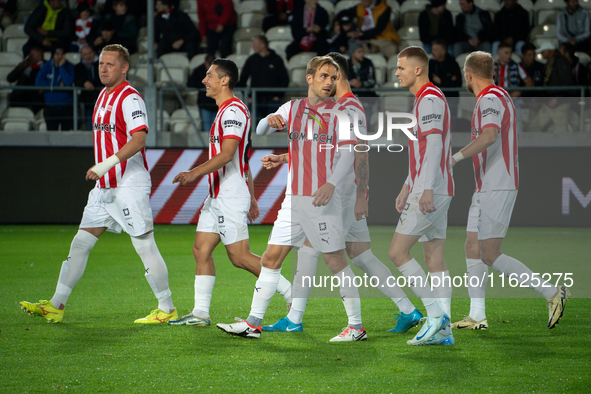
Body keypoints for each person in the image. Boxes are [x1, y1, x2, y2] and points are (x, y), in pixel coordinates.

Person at [261, 51, 422, 335]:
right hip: (339, 192)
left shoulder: (350, 108)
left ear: (340, 76)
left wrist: (361, 194)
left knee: (316, 252)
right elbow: (322, 149)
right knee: (360, 256)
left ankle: (302, 319)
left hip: (342, 194)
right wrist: (285, 159)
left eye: (331, 76)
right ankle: (408, 310)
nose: (327, 81)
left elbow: (359, 151)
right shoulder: (336, 106)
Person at [21, 44, 178, 324]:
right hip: (104, 188)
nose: (103, 69)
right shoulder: (103, 96)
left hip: (128, 185)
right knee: (80, 244)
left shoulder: (130, 98)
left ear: (124, 68)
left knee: (145, 246)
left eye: (110, 64)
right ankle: (56, 304)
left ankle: (166, 308)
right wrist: (104, 171)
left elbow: (139, 139)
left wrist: (106, 164)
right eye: (101, 64)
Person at [217, 56, 365, 341]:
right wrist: (267, 121)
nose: (329, 82)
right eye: (324, 76)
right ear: (309, 78)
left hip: (322, 200)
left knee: (335, 261)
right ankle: (253, 323)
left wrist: (332, 185)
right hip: (293, 200)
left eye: (333, 78)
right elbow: (259, 131)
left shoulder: (342, 112)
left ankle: (357, 327)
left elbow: (349, 153)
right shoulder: (293, 107)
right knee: (272, 258)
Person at [167, 59, 292, 327]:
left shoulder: (233, 111)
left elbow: (227, 155)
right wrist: (254, 196)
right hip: (218, 196)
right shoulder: (225, 111)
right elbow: (243, 160)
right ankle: (200, 314)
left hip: (229, 196)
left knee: (239, 257)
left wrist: (193, 173)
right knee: (201, 250)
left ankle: (291, 294)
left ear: (224, 80)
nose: (204, 80)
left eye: (209, 75)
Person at [450, 51, 570, 331]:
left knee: (489, 253)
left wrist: (455, 158)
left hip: (498, 183)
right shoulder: (497, 95)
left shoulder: (490, 98)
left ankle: (551, 292)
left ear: (468, 74)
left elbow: (490, 135)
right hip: (487, 184)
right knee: (472, 245)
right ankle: (476, 315)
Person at [390, 46, 455, 346]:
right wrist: (407, 184)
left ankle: (435, 316)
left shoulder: (428, 98)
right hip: (437, 186)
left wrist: (425, 187)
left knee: (397, 252)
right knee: (434, 257)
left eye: (401, 67)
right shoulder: (428, 98)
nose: (397, 72)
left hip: (432, 188)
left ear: (418, 69)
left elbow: (435, 146)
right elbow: (423, 151)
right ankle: (445, 332)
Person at [237, 35, 289, 123]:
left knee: (273, 126)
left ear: (263, 45)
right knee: (258, 125)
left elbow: (284, 79)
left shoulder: (276, 59)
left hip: (272, 99)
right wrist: (248, 96)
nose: (253, 46)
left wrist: (278, 95)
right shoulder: (251, 60)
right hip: (256, 99)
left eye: (255, 44)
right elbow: (242, 79)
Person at [529, 41, 577, 132]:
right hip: (548, 103)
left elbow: (567, 84)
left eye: (543, 51)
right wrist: (540, 100)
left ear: (549, 50)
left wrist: (558, 99)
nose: (541, 54)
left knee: (561, 130)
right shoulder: (550, 64)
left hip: (560, 104)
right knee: (533, 127)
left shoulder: (561, 61)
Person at [336, 0, 400, 59]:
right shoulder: (360, 7)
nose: (362, 1)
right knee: (357, 50)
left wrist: (360, 34)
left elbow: (378, 29)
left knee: (391, 49)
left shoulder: (384, 9)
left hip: (383, 38)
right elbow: (344, 13)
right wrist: (336, 23)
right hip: (366, 40)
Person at [35, 45, 75, 131]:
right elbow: (38, 83)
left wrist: (61, 67)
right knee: (52, 135)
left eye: (62, 54)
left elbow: (68, 82)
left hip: (66, 107)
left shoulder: (69, 66)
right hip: (51, 107)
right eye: (57, 54)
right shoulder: (46, 67)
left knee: (67, 135)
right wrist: (57, 85)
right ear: (53, 55)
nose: (60, 56)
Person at [7, 46, 45, 113]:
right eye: (30, 55)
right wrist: (19, 68)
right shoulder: (25, 64)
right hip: (22, 94)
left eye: (33, 55)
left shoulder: (47, 66)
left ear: (40, 56)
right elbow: (10, 78)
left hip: (39, 95)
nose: (30, 57)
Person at [187, 54, 217, 132]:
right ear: (206, 63)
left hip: (217, 103)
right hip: (204, 104)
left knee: (216, 129)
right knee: (206, 127)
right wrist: (203, 85)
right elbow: (190, 84)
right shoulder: (198, 71)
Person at [75, 45, 101, 131]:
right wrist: (84, 82)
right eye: (85, 54)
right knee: (91, 128)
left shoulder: (102, 65)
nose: (88, 56)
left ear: (94, 53)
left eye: (90, 53)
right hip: (88, 103)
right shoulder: (77, 67)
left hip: (102, 102)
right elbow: (76, 80)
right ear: (82, 56)